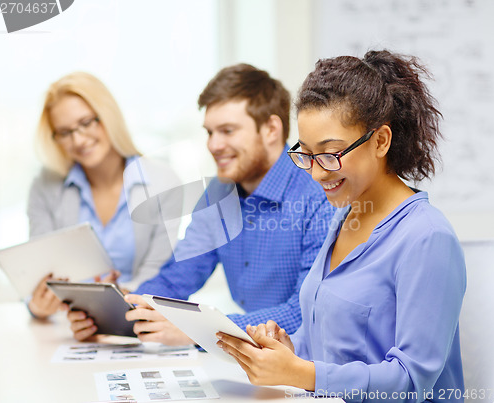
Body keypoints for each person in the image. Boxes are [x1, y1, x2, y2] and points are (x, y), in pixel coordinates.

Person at [216, 50, 466, 401]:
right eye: (306, 153)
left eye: (331, 153)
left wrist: (302, 373)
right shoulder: (344, 216)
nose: (317, 172)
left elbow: (413, 381)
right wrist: (290, 350)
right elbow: (329, 342)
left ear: (380, 141)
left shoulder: (427, 238)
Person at [68, 64, 336, 343]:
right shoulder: (219, 193)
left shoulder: (320, 194)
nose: (214, 145)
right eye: (210, 132)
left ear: (270, 129)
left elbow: (306, 313)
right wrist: (117, 311)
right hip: (258, 360)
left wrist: (199, 330)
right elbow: (178, 277)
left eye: (227, 131)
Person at [27, 72, 180, 319]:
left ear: (108, 116)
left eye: (86, 122)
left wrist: (115, 301)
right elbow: (38, 271)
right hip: (67, 325)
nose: (78, 139)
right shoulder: (45, 185)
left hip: (137, 318)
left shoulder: (163, 181)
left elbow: (158, 271)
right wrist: (36, 307)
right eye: (64, 132)